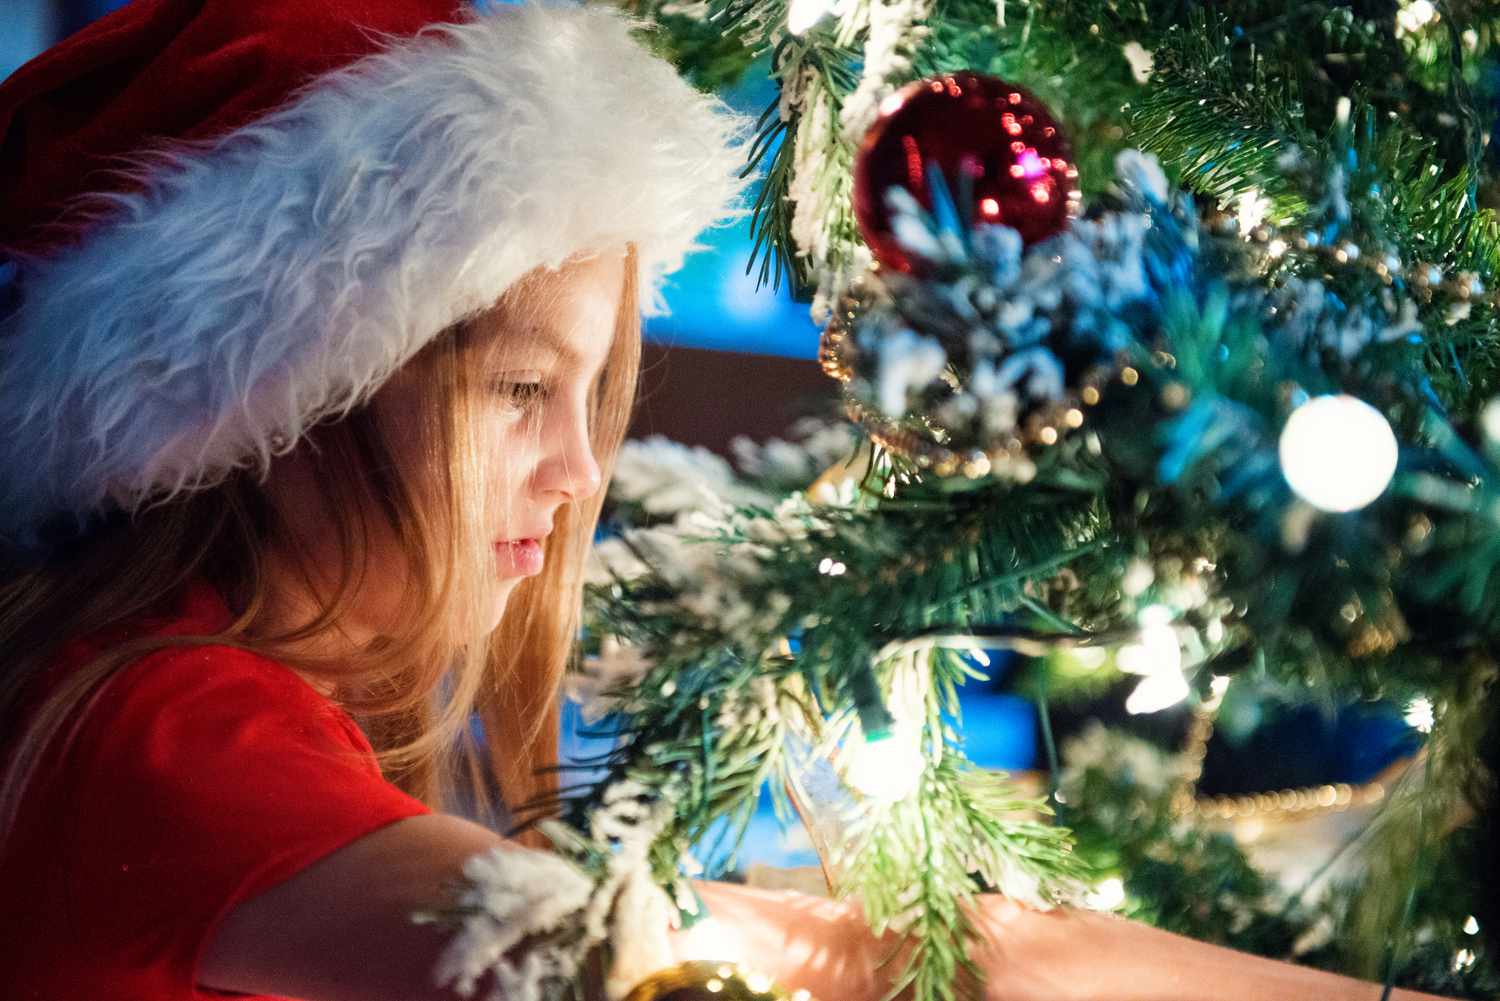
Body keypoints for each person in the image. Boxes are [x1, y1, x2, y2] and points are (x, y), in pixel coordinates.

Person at [0, 2, 1462, 1000]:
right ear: (291, 406)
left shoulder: (188, 715)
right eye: (519, 391)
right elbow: (585, 955)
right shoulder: (162, 728)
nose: (581, 475)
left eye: (594, 400)